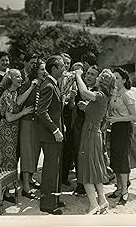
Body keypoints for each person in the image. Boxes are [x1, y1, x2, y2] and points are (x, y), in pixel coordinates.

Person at [75, 68, 116, 215]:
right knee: (95, 169)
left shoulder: (99, 95)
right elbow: (97, 111)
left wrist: (78, 76)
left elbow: (84, 93)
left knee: (86, 168)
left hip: (90, 133)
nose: (96, 78)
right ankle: (102, 200)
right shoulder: (103, 96)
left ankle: (93, 204)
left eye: (99, 77)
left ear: (102, 81)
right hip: (94, 132)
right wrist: (87, 108)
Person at [0, 69, 34, 203]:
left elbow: (18, 101)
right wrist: (23, 113)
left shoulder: (13, 92)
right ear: (10, 79)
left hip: (11, 130)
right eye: (17, 77)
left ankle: (5, 190)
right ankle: (5, 193)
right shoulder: (7, 95)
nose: (20, 78)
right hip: (7, 130)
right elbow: (9, 117)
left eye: (20, 76)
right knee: (8, 160)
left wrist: (31, 87)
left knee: (11, 159)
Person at [37, 55, 65, 215]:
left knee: (55, 168)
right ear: (54, 69)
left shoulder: (53, 83)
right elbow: (41, 111)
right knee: (50, 169)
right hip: (51, 135)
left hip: (56, 134)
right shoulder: (48, 85)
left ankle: (54, 199)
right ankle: (47, 205)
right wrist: (55, 130)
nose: (64, 69)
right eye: (61, 66)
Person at [107, 67, 136, 205]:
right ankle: (119, 188)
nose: (115, 80)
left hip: (124, 129)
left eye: (117, 78)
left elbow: (133, 116)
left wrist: (116, 120)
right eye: (114, 78)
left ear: (124, 80)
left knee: (123, 159)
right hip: (115, 128)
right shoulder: (115, 93)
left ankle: (125, 192)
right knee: (115, 158)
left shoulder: (127, 94)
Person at [17, 58, 47, 199]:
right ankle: (26, 188)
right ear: (36, 71)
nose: (45, 72)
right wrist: (31, 87)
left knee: (35, 153)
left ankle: (30, 179)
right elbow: (19, 100)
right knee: (27, 153)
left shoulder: (44, 84)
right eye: (42, 69)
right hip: (27, 123)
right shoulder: (28, 83)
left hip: (38, 124)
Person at [72, 65, 101, 196]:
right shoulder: (79, 88)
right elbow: (73, 106)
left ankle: (92, 183)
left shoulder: (98, 92)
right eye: (88, 73)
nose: (89, 76)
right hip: (79, 123)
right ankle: (81, 183)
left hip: (91, 125)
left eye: (92, 74)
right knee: (79, 152)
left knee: (91, 155)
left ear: (97, 78)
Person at [58, 53, 75, 186]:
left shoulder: (72, 79)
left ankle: (64, 177)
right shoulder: (56, 78)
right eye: (64, 63)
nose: (66, 65)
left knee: (67, 147)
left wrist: (71, 98)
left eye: (68, 63)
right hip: (55, 114)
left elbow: (71, 105)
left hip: (67, 115)